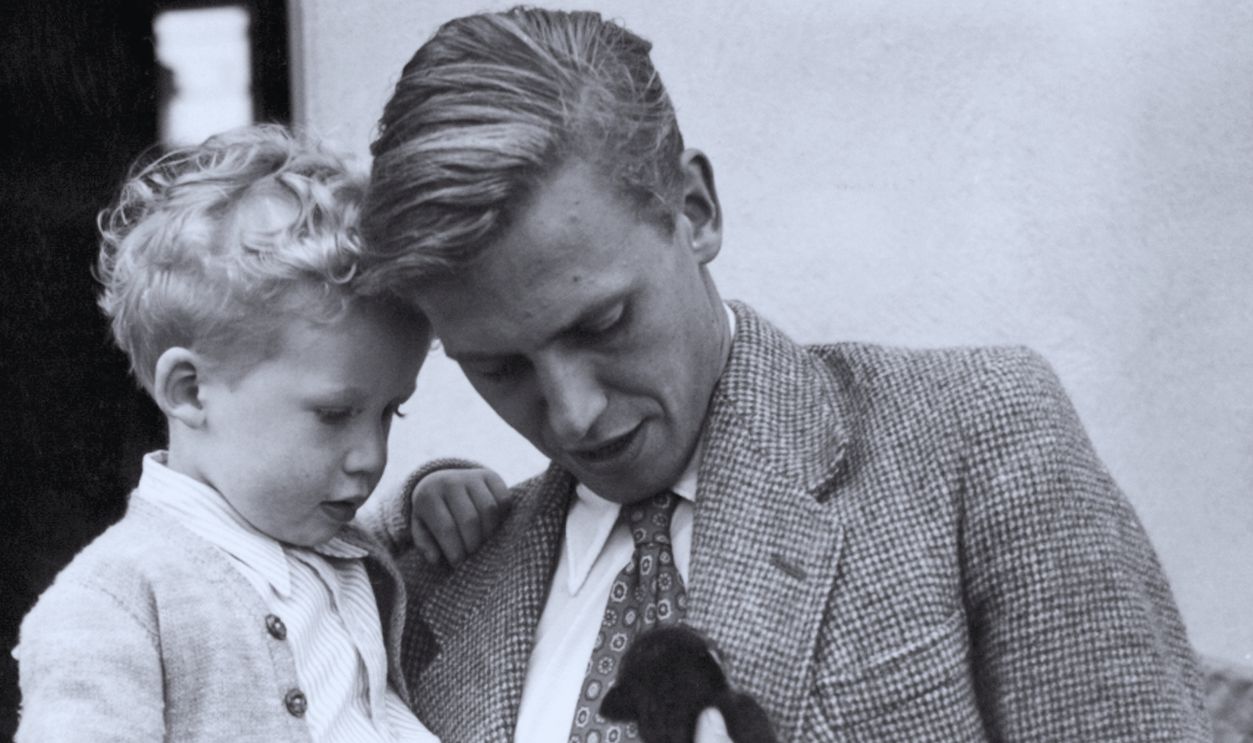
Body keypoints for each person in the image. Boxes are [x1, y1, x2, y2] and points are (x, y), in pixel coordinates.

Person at [358, 7, 1212, 742]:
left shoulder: (974, 441)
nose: (573, 415)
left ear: (694, 211)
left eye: (603, 323)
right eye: (500, 370)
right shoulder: (431, 577)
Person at [12, 124, 509, 742]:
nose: (372, 456)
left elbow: (373, 537)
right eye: (334, 414)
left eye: (389, 412)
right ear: (191, 390)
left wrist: (427, 494)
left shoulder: (318, 535)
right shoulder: (115, 598)